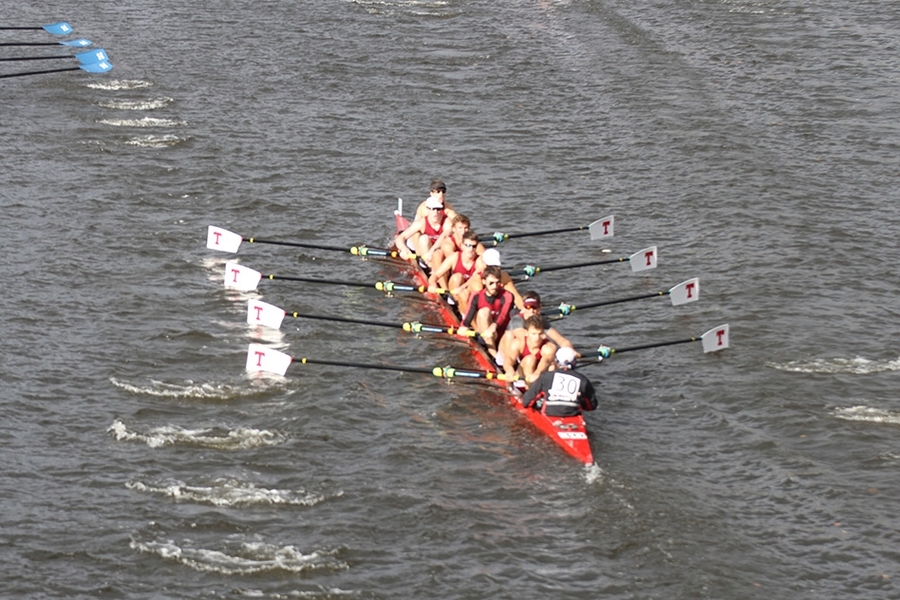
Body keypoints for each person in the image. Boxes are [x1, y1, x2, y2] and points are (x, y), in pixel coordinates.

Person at [521, 347, 598, 417]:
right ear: (574, 362)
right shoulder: (583, 380)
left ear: (556, 361)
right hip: (573, 415)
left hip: (549, 414)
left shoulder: (546, 377)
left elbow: (526, 402)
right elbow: (591, 406)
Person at [457, 265, 515, 356]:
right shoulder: (476, 296)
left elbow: (503, 314)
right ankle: (493, 354)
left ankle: (497, 354)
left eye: (497, 283)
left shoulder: (508, 296)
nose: (495, 286)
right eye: (491, 283)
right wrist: (463, 326)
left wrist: (493, 326)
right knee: (483, 312)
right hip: (485, 334)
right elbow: (468, 316)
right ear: (484, 281)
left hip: (503, 334)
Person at [499, 290, 576, 358]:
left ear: (539, 308)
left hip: (530, 354)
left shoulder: (541, 320)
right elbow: (526, 341)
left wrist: (570, 352)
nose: (532, 310)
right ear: (523, 308)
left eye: (534, 307)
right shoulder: (517, 320)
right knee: (510, 335)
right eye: (528, 307)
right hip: (507, 356)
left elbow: (561, 340)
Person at [427, 230, 480, 313]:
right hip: (455, 291)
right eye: (468, 245)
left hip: (468, 291)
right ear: (462, 246)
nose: (471, 249)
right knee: (457, 277)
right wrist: (433, 284)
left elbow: (474, 279)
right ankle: (457, 307)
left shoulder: (480, 261)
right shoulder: (454, 257)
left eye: (474, 246)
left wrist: (462, 288)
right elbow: (435, 276)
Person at [394, 193, 449, 271]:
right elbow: (400, 238)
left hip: (438, 255)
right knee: (424, 239)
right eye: (433, 209)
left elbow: (444, 236)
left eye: (438, 209)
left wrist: (431, 252)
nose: (436, 212)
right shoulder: (421, 223)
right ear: (428, 209)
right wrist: (404, 249)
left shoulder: (447, 222)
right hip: (425, 257)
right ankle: (429, 268)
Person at [498, 314, 557, 385]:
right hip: (521, 378)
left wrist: (537, 373)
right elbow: (509, 360)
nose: (537, 338)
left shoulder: (548, 347)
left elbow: (546, 361)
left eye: (540, 334)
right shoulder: (518, 343)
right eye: (533, 334)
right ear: (526, 333)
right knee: (530, 359)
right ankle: (528, 390)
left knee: (552, 366)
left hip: (538, 376)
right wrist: (509, 370)